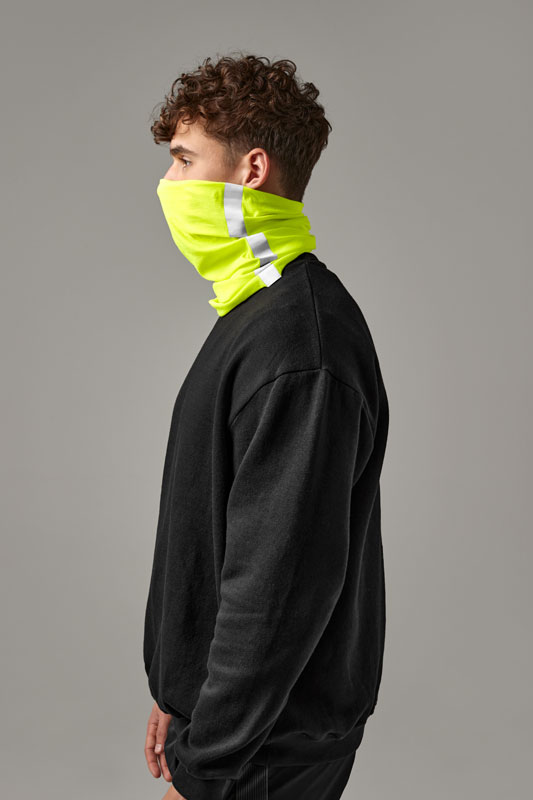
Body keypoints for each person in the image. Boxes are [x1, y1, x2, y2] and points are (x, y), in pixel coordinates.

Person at [142, 52, 389, 800]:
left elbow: (276, 584)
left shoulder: (300, 342)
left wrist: (207, 762)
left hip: (261, 752)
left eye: (185, 160)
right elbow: (221, 530)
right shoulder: (255, 313)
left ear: (251, 170)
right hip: (237, 732)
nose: (168, 184)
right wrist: (178, 690)